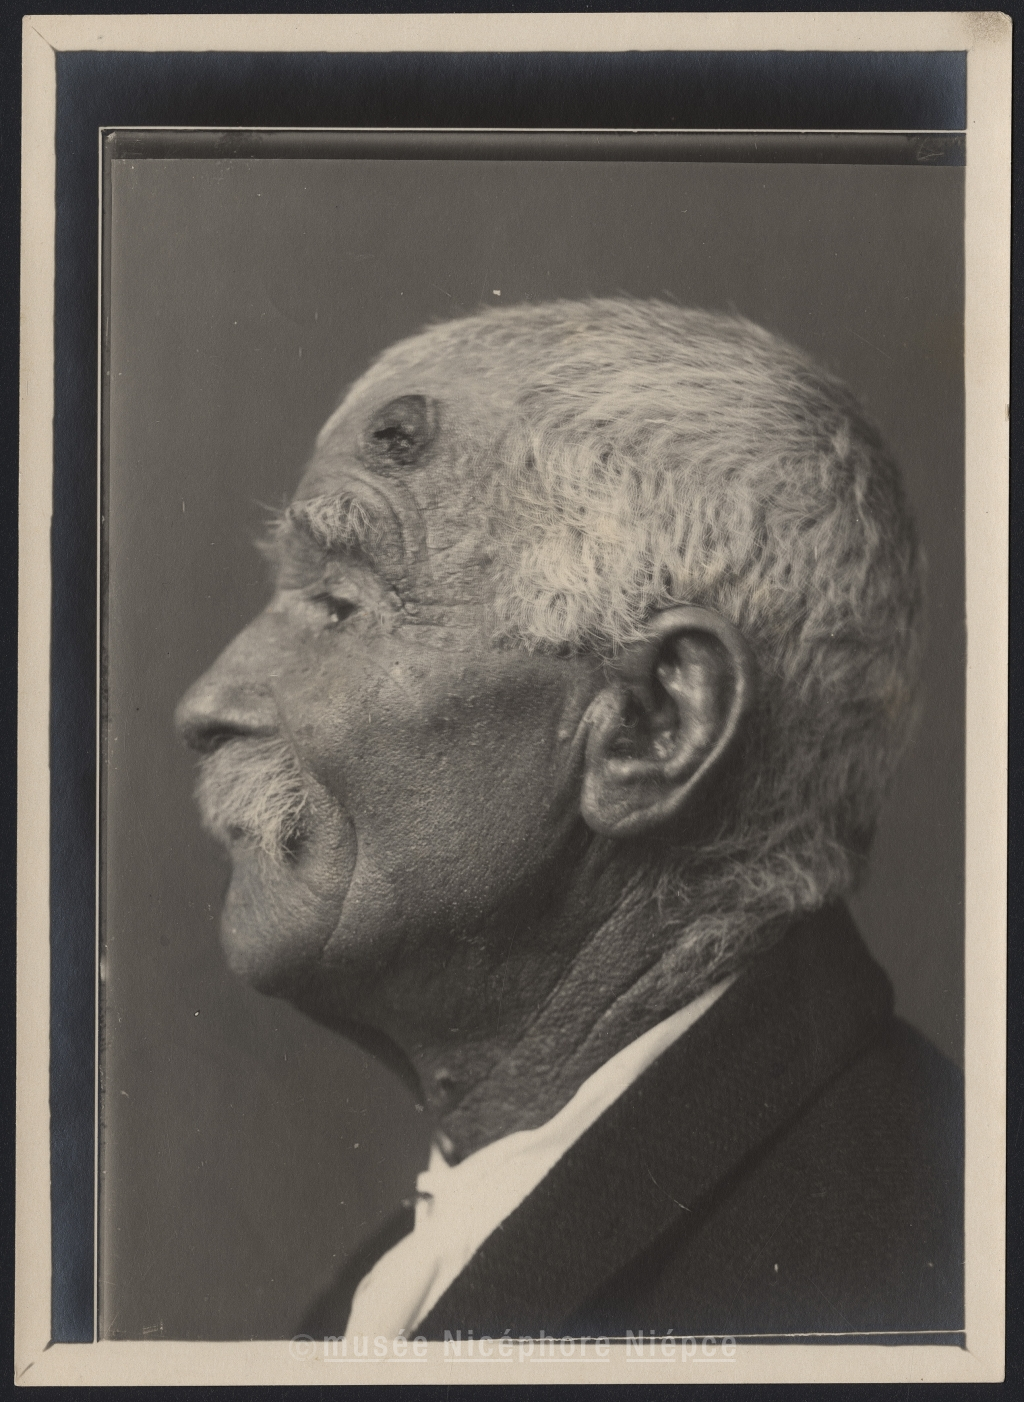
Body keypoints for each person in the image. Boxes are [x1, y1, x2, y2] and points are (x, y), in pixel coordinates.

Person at [175, 298, 962, 1342]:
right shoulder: (402, 1282)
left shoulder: (884, 1287)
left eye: (339, 607)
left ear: (650, 726)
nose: (208, 702)